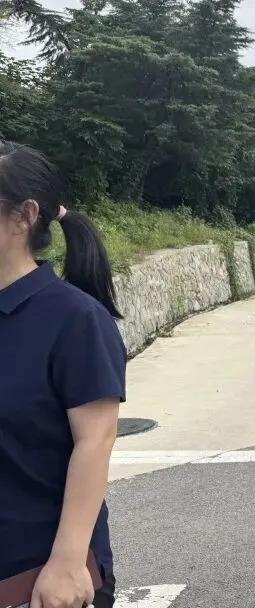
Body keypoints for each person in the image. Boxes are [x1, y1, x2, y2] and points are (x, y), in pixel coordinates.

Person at [0, 141, 125, 608]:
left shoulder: (75, 319)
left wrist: (69, 563)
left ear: (24, 216)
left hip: (34, 580)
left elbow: (96, 439)